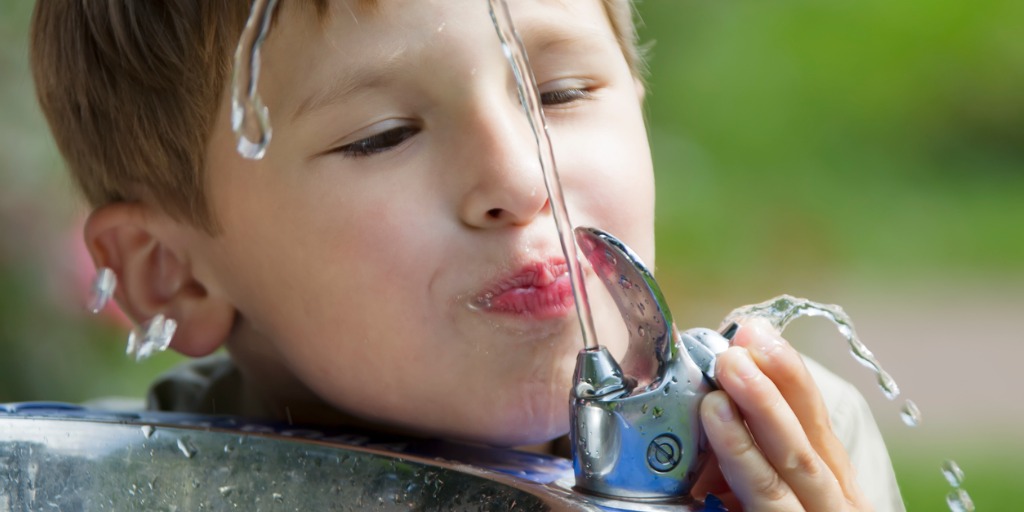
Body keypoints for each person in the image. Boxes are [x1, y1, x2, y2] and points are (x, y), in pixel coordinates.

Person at [30, 1, 903, 510]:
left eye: (560, 93)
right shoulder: (147, 491)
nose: (523, 180)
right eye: (382, 137)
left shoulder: (778, 454)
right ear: (169, 272)